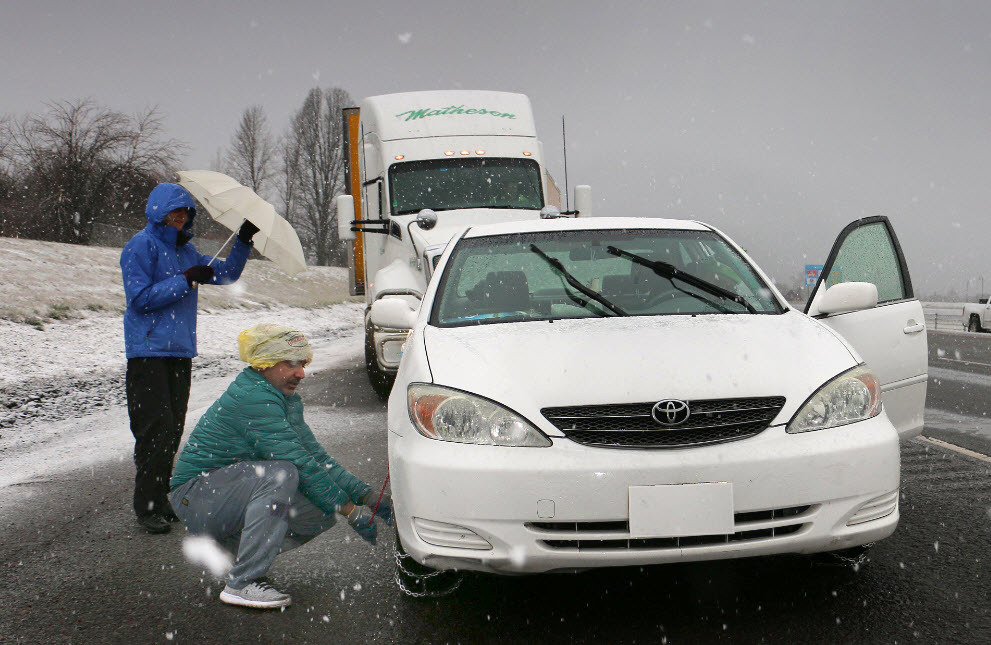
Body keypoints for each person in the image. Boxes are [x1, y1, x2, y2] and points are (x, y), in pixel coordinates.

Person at [168, 323, 393, 609]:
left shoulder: (282, 398)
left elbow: (316, 458)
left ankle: (235, 554)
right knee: (282, 474)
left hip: (226, 498)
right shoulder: (254, 398)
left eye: (303, 364)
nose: (301, 373)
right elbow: (299, 463)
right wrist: (351, 512)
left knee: (319, 511)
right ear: (264, 364)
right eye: (291, 364)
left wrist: (367, 497)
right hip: (196, 498)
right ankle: (242, 583)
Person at [121, 182, 258, 535]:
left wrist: (242, 240)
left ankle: (160, 498)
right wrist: (184, 280)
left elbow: (225, 274)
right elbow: (139, 298)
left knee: (172, 430)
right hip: (148, 353)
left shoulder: (188, 251)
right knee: (156, 429)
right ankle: (147, 506)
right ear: (158, 212)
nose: (181, 218)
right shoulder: (140, 246)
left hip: (180, 352)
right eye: (175, 212)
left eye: (185, 212)